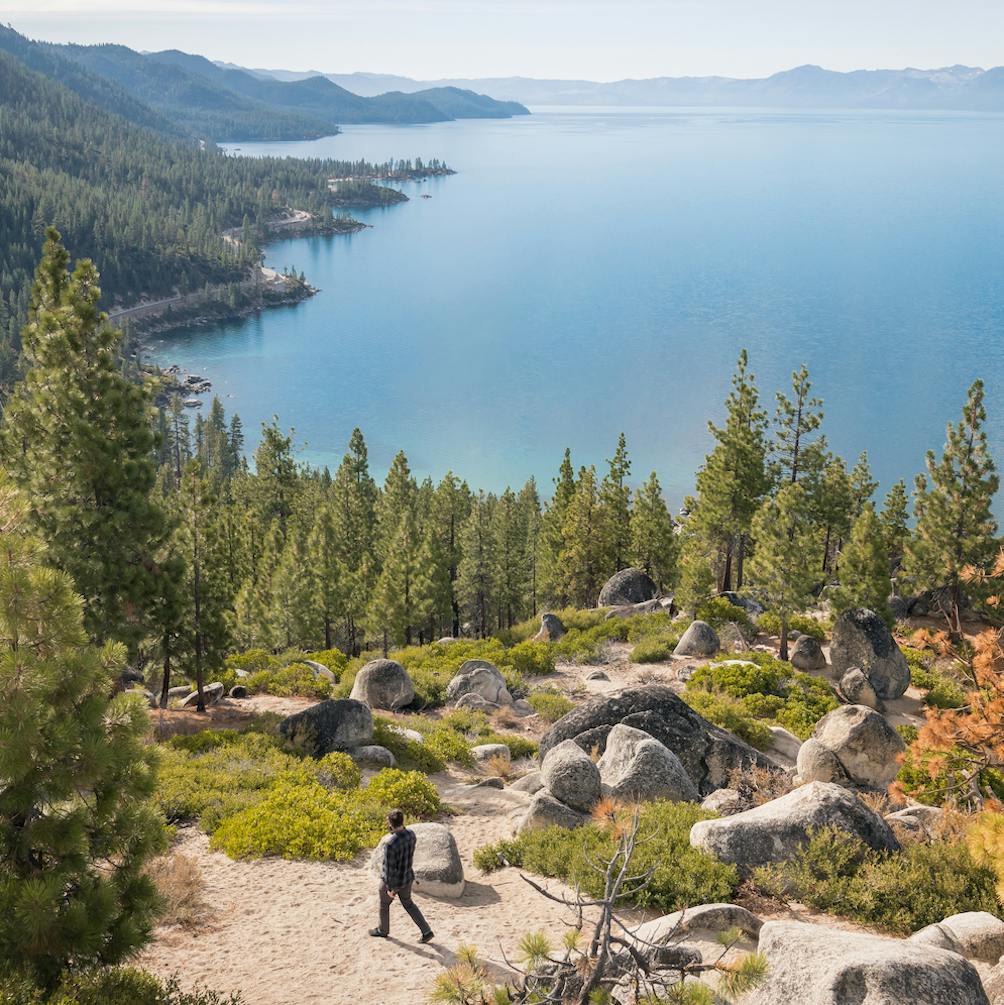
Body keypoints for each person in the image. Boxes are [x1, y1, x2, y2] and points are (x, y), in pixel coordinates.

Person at [369, 808, 434, 944]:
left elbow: (390, 870)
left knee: (384, 903)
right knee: (409, 904)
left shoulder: (390, 844)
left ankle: (383, 930)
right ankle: (426, 931)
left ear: (391, 823)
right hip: (407, 877)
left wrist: (391, 889)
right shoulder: (411, 835)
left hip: (394, 882)